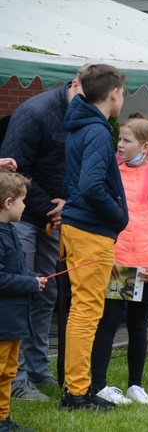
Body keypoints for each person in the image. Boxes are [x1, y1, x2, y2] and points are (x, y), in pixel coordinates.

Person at [0, 69, 83, 402]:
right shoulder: (36, 113)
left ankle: (38, 369)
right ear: (77, 86)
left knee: (45, 294)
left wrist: (70, 203)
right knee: (18, 293)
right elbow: (14, 174)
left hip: (50, 217)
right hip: (22, 218)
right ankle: (15, 377)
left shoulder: (83, 116)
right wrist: (52, 206)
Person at [90, 119, 148, 405]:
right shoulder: (111, 174)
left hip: (145, 269)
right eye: (120, 139)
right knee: (108, 322)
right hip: (117, 264)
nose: (120, 144)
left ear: (145, 146)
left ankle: (135, 385)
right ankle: (99, 384)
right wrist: (108, 256)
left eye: (126, 140)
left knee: (138, 325)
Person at [59, 64, 129, 411]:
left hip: (78, 227)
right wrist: (118, 217)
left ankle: (75, 389)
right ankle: (77, 394)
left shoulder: (81, 124)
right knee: (86, 314)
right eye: (123, 92)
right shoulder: (99, 131)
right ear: (114, 93)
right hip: (90, 230)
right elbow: (90, 186)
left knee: (79, 312)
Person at [0, 170, 47, 430]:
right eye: (22, 200)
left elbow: (15, 270)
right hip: (3, 322)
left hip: (14, 321)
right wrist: (29, 283)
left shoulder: (10, 231)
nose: (25, 205)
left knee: (8, 372)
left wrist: (32, 277)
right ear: (8, 203)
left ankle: (4, 418)